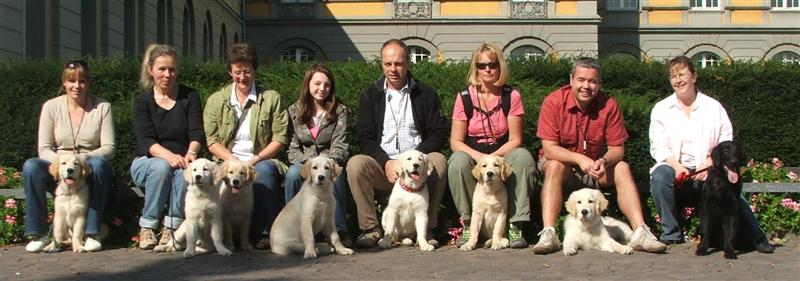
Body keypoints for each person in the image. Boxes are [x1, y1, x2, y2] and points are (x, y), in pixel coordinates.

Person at [532, 58, 666, 254]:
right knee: (553, 166)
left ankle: (640, 232)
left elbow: (618, 149)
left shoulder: (608, 105)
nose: (586, 86)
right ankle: (549, 233)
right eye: (581, 80)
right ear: (571, 80)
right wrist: (579, 159)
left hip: (595, 169)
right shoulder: (553, 102)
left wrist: (604, 161)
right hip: (564, 168)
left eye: (592, 81)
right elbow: (550, 149)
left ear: (599, 84)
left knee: (622, 167)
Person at [648, 55, 775, 253]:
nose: (678, 80)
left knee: (731, 191)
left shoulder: (713, 108)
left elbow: (726, 140)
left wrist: (708, 164)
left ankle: (758, 237)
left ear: (694, 76)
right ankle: (671, 234)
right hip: (675, 168)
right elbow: (658, 146)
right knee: (659, 176)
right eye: (673, 76)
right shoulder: (661, 109)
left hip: (708, 170)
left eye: (682, 74)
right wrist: (677, 166)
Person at [346, 39, 449, 248]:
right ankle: (370, 229)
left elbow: (439, 132)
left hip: (416, 167)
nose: (393, 69)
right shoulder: (370, 95)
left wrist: (414, 158)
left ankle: (427, 229)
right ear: (381, 64)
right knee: (356, 164)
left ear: (408, 63)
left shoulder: (425, 93)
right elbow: (365, 137)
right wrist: (386, 162)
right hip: (384, 167)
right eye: (388, 64)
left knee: (438, 161)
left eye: (399, 63)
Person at [448, 43, 535, 249]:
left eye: (493, 65)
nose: (487, 69)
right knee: (458, 162)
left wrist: (494, 159)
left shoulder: (511, 96)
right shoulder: (464, 97)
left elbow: (515, 139)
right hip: (473, 150)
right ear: (475, 68)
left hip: (503, 150)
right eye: (482, 65)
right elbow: (455, 142)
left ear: (500, 67)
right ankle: (468, 222)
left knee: (523, 158)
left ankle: (516, 224)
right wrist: (480, 158)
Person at [23, 60, 115, 253]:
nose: (77, 86)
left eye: (82, 81)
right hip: (60, 164)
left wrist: (81, 159)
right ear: (64, 82)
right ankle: (38, 233)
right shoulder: (51, 107)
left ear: (88, 83)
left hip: (87, 166)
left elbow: (109, 148)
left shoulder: (103, 107)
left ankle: (91, 232)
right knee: (31, 166)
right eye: (71, 81)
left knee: (99, 164)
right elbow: (44, 148)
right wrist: (63, 163)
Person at [204, 42, 289, 249]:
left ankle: (263, 232)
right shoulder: (216, 101)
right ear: (229, 71)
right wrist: (232, 160)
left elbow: (279, 138)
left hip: (259, 158)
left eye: (247, 72)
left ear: (254, 70)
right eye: (237, 72)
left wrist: (255, 159)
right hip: (226, 159)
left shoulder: (271, 98)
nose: (242, 77)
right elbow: (212, 141)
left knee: (265, 171)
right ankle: (214, 235)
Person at [131, 44, 206, 250]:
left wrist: (191, 152)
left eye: (172, 69)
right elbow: (145, 140)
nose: (167, 74)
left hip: (181, 159)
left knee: (186, 171)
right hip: (147, 162)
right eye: (162, 69)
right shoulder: (142, 102)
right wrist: (169, 156)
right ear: (151, 70)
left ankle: (172, 227)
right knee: (161, 167)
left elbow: (197, 131)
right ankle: (147, 225)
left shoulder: (189, 96)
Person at [284, 63, 352, 247]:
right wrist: (310, 164)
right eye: (317, 83)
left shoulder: (339, 111)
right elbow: (292, 148)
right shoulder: (293, 111)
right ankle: (294, 227)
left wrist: (326, 163)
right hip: (305, 162)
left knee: (335, 176)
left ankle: (339, 229)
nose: (322, 89)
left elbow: (340, 144)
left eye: (327, 85)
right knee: (291, 174)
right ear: (308, 85)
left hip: (329, 161)